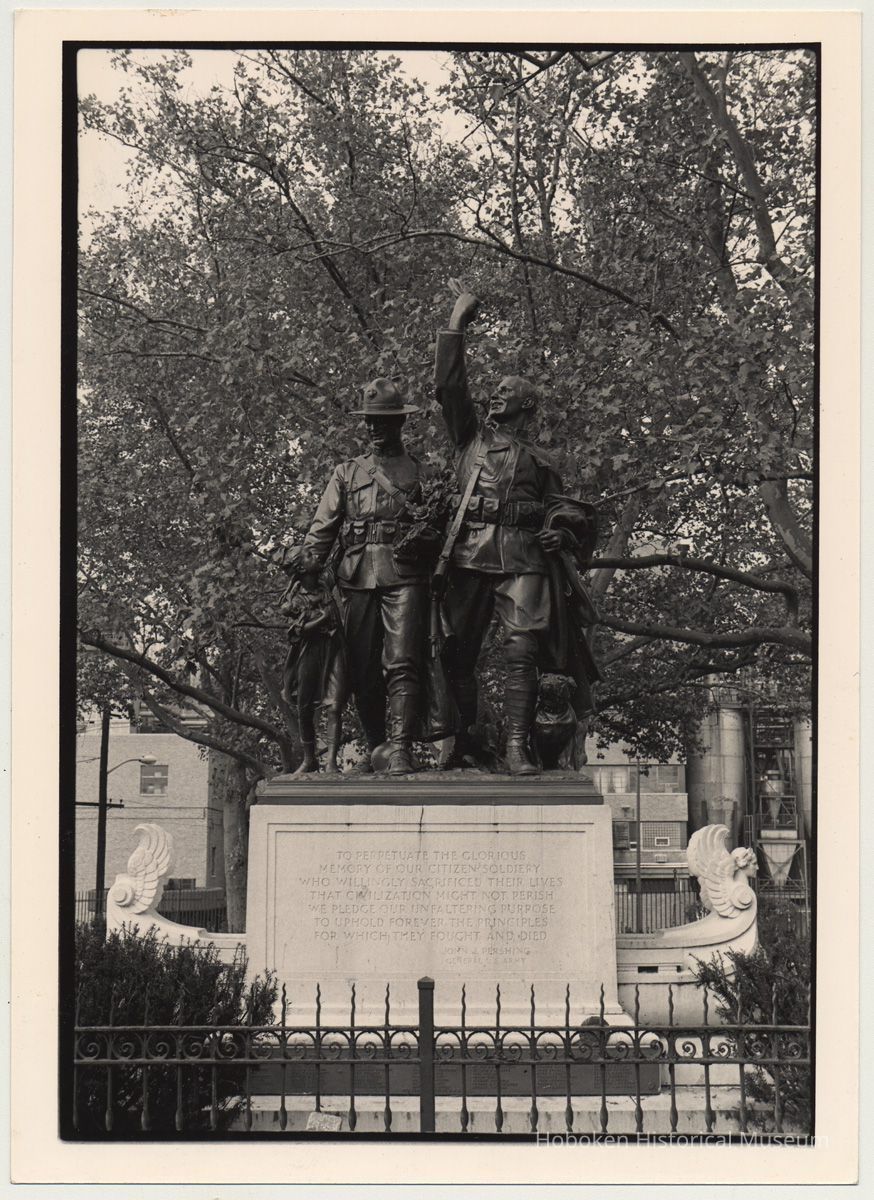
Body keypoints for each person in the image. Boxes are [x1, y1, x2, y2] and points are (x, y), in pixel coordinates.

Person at [434, 285, 600, 775]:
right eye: (495, 391)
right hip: (468, 555)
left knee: (521, 650)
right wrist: (456, 323)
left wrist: (563, 534)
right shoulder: (470, 438)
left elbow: (570, 514)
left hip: (525, 559)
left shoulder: (544, 461)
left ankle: (514, 748)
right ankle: (463, 742)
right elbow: (449, 387)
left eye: (505, 393)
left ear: (526, 407)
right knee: (456, 652)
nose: (494, 396)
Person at [302, 379, 429, 775]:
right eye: (370, 422)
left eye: (383, 422)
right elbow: (323, 528)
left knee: (403, 661)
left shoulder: (422, 473)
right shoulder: (347, 472)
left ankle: (402, 749)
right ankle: (379, 748)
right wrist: (305, 564)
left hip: (406, 575)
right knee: (361, 670)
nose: (375, 429)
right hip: (356, 576)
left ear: (399, 424)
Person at [280, 545, 348, 774]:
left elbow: (337, 553)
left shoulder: (325, 584)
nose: (315, 555)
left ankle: (331, 762)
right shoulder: (294, 600)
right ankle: (310, 760)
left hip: (334, 650)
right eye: (309, 555)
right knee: (304, 709)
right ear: (301, 567)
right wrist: (323, 619)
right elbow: (297, 632)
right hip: (309, 653)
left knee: (335, 705)